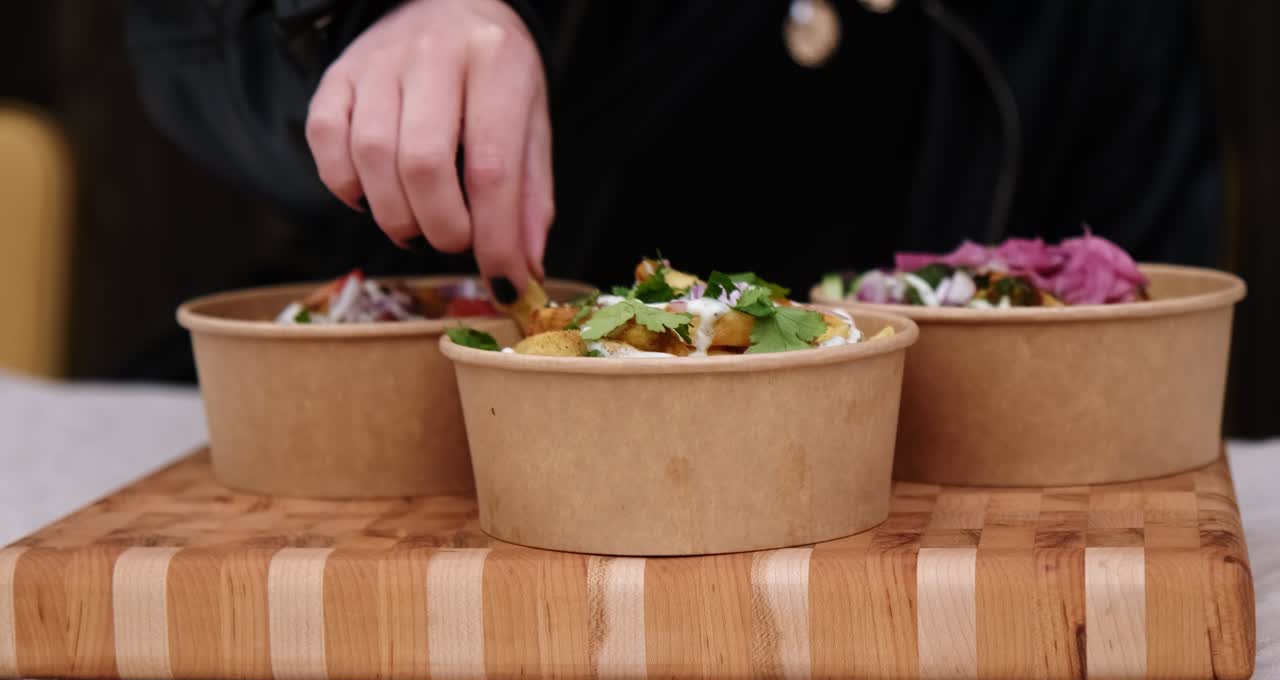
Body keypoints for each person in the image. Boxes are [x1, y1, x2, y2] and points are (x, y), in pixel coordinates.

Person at [127, 0, 1218, 304]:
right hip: (423, 496)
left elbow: (1142, 330)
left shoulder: (1104, 26)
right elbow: (186, 40)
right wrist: (371, 21)